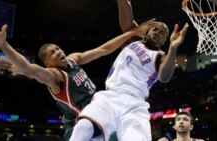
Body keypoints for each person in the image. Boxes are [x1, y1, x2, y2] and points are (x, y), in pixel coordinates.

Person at [0, 19, 157, 141]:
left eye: (57, 48)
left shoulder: (73, 59)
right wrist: (3, 45)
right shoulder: (54, 76)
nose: (58, 52)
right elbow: (28, 69)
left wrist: (132, 33)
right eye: (52, 53)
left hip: (100, 115)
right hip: (79, 126)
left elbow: (104, 49)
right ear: (47, 63)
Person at [68, 0, 190, 140]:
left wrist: (173, 47)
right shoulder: (133, 39)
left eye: (162, 33)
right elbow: (126, 12)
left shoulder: (161, 57)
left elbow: (164, 77)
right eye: (155, 29)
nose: (157, 33)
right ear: (147, 30)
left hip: (135, 104)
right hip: (110, 97)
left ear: (164, 42)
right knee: (84, 127)